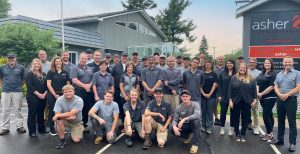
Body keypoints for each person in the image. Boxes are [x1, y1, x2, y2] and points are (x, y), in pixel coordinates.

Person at [270, 56, 300, 152]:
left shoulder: (297, 73)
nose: (287, 63)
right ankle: (280, 139)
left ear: (292, 63)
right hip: (280, 99)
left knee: (291, 122)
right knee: (280, 120)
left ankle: (292, 143)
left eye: (289, 62)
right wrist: (279, 94)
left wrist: (286, 94)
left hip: (291, 99)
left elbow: (298, 87)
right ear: (283, 63)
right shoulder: (279, 74)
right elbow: (276, 86)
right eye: (286, 62)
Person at [229, 63, 257, 142]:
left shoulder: (251, 79)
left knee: (245, 119)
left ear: (246, 69)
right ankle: (237, 134)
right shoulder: (234, 78)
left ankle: (243, 134)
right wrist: (230, 100)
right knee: (235, 118)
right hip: (236, 101)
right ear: (239, 68)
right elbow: (230, 90)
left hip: (247, 102)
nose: (242, 69)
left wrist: (254, 100)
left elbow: (254, 91)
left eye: (244, 68)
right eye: (241, 67)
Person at [0, 52, 26, 135]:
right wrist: (4, 84)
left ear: (15, 59)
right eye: (9, 58)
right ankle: (5, 128)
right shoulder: (2, 67)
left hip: (17, 91)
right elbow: (0, 78)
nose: (11, 59)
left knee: (17, 109)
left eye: (12, 58)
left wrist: (17, 85)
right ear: (7, 59)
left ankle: (20, 126)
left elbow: (23, 79)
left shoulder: (21, 68)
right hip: (5, 91)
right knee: (5, 110)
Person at [52, 85, 84, 149]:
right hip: (65, 121)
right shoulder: (59, 100)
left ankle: (79, 128)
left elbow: (71, 113)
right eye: (66, 92)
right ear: (63, 93)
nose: (68, 93)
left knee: (76, 140)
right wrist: (65, 118)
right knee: (59, 120)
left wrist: (58, 115)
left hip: (76, 122)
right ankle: (62, 140)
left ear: (74, 91)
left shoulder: (79, 100)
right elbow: (57, 115)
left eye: (70, 91)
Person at [70, 52, 94, 132]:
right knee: (78, 109)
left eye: (85, 58)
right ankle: (76, 126)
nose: (84, 60)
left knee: (86, 108)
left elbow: (93, 79)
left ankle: (84, 125)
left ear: (87, 59)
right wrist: (85, 86)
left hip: (88, 92)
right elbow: (74, 80)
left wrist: (89, 86)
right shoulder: (74, 68)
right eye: (82, 58)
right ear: (79, 59)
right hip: (78, 92)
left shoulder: (90, 68)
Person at [47, 56, 70, 136]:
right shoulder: (50, 72)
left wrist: (66, 93)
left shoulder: (65, 72)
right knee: (53, 111)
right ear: (54, 62)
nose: (58, 63)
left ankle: (61, 127)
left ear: (62, 62)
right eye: (56, 61)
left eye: (60, 61)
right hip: (52, 94)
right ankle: (52, 129)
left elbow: (68, 85)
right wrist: (55, 95)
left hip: (63, 94)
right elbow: (49, 85)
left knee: (62, 111)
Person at [172, 90, 201, 154]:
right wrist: (174, 127)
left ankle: (195, 144)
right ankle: (187, 137)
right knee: (171, 129)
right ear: (181, 97)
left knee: (196, 122)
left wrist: (184, 119)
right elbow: (174, 120)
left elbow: (197, 115)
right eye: (183, 96)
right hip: (185, 125)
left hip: (193, 124)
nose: (185, 98)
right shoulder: (178, 108)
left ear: (189, 97)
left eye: (186, 96)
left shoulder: (195, 104)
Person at [25, 58, 48, 137]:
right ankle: (32, 131)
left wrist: (44, 93)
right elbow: (29, 86)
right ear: (32, 65)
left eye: (38, 64)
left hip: (43, 97)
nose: (37, 65)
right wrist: (38, 94)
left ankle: (42, 129)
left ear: (40, 65)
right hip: (32, 97)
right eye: (35, 63)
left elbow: (46, 85)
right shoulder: (29, 74)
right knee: (32, 114)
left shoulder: (44, 74)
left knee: (41, 113)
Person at [256, 59, 277, 142]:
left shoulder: (273, 74)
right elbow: (257, 83)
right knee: (269, 114)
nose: (267, 64)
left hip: (270, 97)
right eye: (265, 63)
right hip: (262, 97)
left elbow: (272, 87)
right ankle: (270, 132)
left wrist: (261, 94)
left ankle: (268, 134)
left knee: (265, 115)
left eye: (269, 63)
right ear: (263, 64)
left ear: (271, 64)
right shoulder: (262, 73)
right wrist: (257, 93)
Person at [219, 59, 236, 136]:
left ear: (233, 64)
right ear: (226, 64)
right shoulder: (222, 73)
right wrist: (219, 95)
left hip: (234, 97)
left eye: (231, 63)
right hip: (224, 96)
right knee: (223, 113)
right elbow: (219, 85)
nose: (229, 64)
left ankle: (231, 128)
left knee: (233, 113)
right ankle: (222, 127)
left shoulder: (237, 73)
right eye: (228, 63)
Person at [200, 60, 218, 134]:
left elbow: (215, 85)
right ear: (205, 65)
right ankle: (203, 126)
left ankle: (209, 127)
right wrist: (203, 93)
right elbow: (199, 85)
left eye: (209, 64)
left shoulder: (214, 74)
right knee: (203, 111)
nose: (208, 66)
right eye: (206, 64)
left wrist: (210, 94)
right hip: (202, 95)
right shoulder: (202, 74)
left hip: (212, 96)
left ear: (211, 65)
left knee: (209, 111)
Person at [111, 52, 129, 122]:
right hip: (118, 89)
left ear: (128, 57)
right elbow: (111, 75)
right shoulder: (116, 66)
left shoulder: (130, 65)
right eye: (123, 56)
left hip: (128, 90)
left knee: (127, 105)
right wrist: (113, 86)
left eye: (126, 56)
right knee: (119, 105)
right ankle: (121, 121)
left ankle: (127, 120)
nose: (124, 57)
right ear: (121, 57)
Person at [248, 58, 261, 135]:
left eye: (253, 62)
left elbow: (259, 84)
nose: (252, 63)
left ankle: (256, 127)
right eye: (250, 62)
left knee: (255, 111)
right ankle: (245, 124)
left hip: (254, 95)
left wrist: (257, 94)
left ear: (256, 64)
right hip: (246, 94)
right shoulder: (246, 71)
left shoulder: (259, 73)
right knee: (245, 111)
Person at [213, 55, 224, 126]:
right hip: (214, 89)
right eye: (219, 59)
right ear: (217, 60)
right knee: (214, 105)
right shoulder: (213, 68)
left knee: (223, 105)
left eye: (222, 59)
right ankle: (216, 118)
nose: (220, 60)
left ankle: (222, 119)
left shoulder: (226, 68)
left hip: (223, 90)